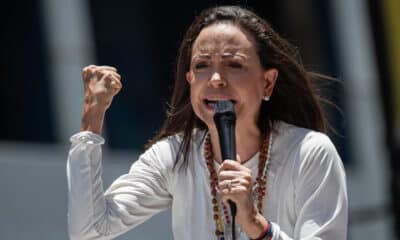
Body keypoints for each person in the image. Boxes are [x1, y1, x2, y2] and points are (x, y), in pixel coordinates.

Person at [67, 5, 347, 240]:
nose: (215, 80)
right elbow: (89, 231)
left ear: (267, 82)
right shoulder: (175, 156)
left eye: (233, 65)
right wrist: (92, 119)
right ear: (190, 80)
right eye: (202, 66)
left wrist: (256, 225)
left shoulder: (309, 152)